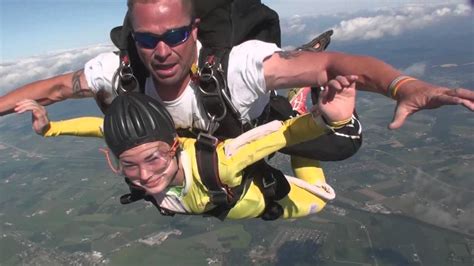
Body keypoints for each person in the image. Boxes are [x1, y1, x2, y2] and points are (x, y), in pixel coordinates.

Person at [2, 0, 473, 159]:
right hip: (198, 144)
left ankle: (296, 90)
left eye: (174, 35)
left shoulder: (239, 66)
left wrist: (402, 86)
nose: (161, 50)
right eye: (147, 39)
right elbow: (54, 88)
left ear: (194, 31)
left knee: (344, 143)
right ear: (132, 39)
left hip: (252, 124)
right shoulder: (118, 70)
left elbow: (338, 65)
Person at [14, 74, 357, 219]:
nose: (144, 176)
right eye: (128, 165)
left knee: (319, 200)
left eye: (153, 159)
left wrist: (326, 119)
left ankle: (295, 103)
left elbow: (280, 137)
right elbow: (98, 128)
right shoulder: (139, 153)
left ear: (175, 145)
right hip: (235, 207)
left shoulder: (222, 162)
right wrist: (50, 129)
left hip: (269, 204)